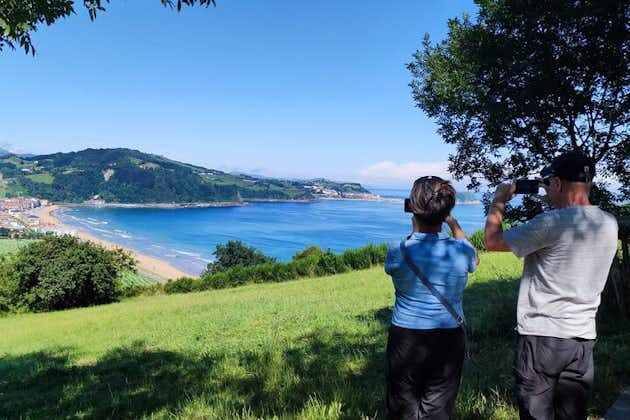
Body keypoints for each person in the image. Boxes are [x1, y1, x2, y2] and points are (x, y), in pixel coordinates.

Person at [484, 152, 619, 420]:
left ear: (558, 183)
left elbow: (492, 241)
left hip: (541, 338)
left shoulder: (550, 223)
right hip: (582, 339)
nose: (544, 190)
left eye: (547, 183)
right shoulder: (609, 223)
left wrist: (499, 202)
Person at [385, 176, 478, 420]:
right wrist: (451, 221)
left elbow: (399, 261)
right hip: (449, 335)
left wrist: (419, 224)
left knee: (403, 404)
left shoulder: (398, 250)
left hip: (406, 334)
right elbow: (474, 259)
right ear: (447, 209)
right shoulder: (462, 250)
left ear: (413, 209)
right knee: (438, 404)